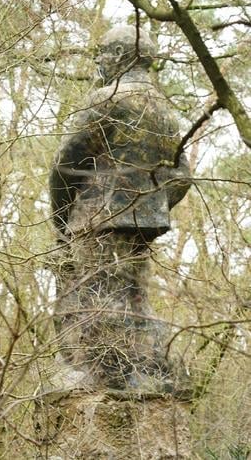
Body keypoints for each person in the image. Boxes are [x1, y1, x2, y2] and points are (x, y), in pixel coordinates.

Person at [49, 25, 191, 390]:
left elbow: (66, 164)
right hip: (145, 221)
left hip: (99, 219)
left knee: (96, 296)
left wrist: (62, 219)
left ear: (121, 55)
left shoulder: (108, 99)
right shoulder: (166, 111)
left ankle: (107, 376)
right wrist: (153, 205)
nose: (99, 60)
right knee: (134, 296)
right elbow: (182, 176)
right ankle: (149, 370)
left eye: (104, 52)